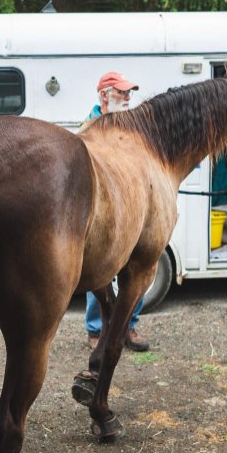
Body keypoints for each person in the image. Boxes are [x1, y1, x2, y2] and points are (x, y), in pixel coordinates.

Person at [82, 71, 149, 352]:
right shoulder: (88, 128)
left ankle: (128, 325)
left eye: (129, 92)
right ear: (104, 95)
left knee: (138, 265)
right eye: (122, 92)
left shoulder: (129, 126)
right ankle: (96, 330)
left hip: (130, 208)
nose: (128, 97)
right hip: (105, 210)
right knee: (99, 271)